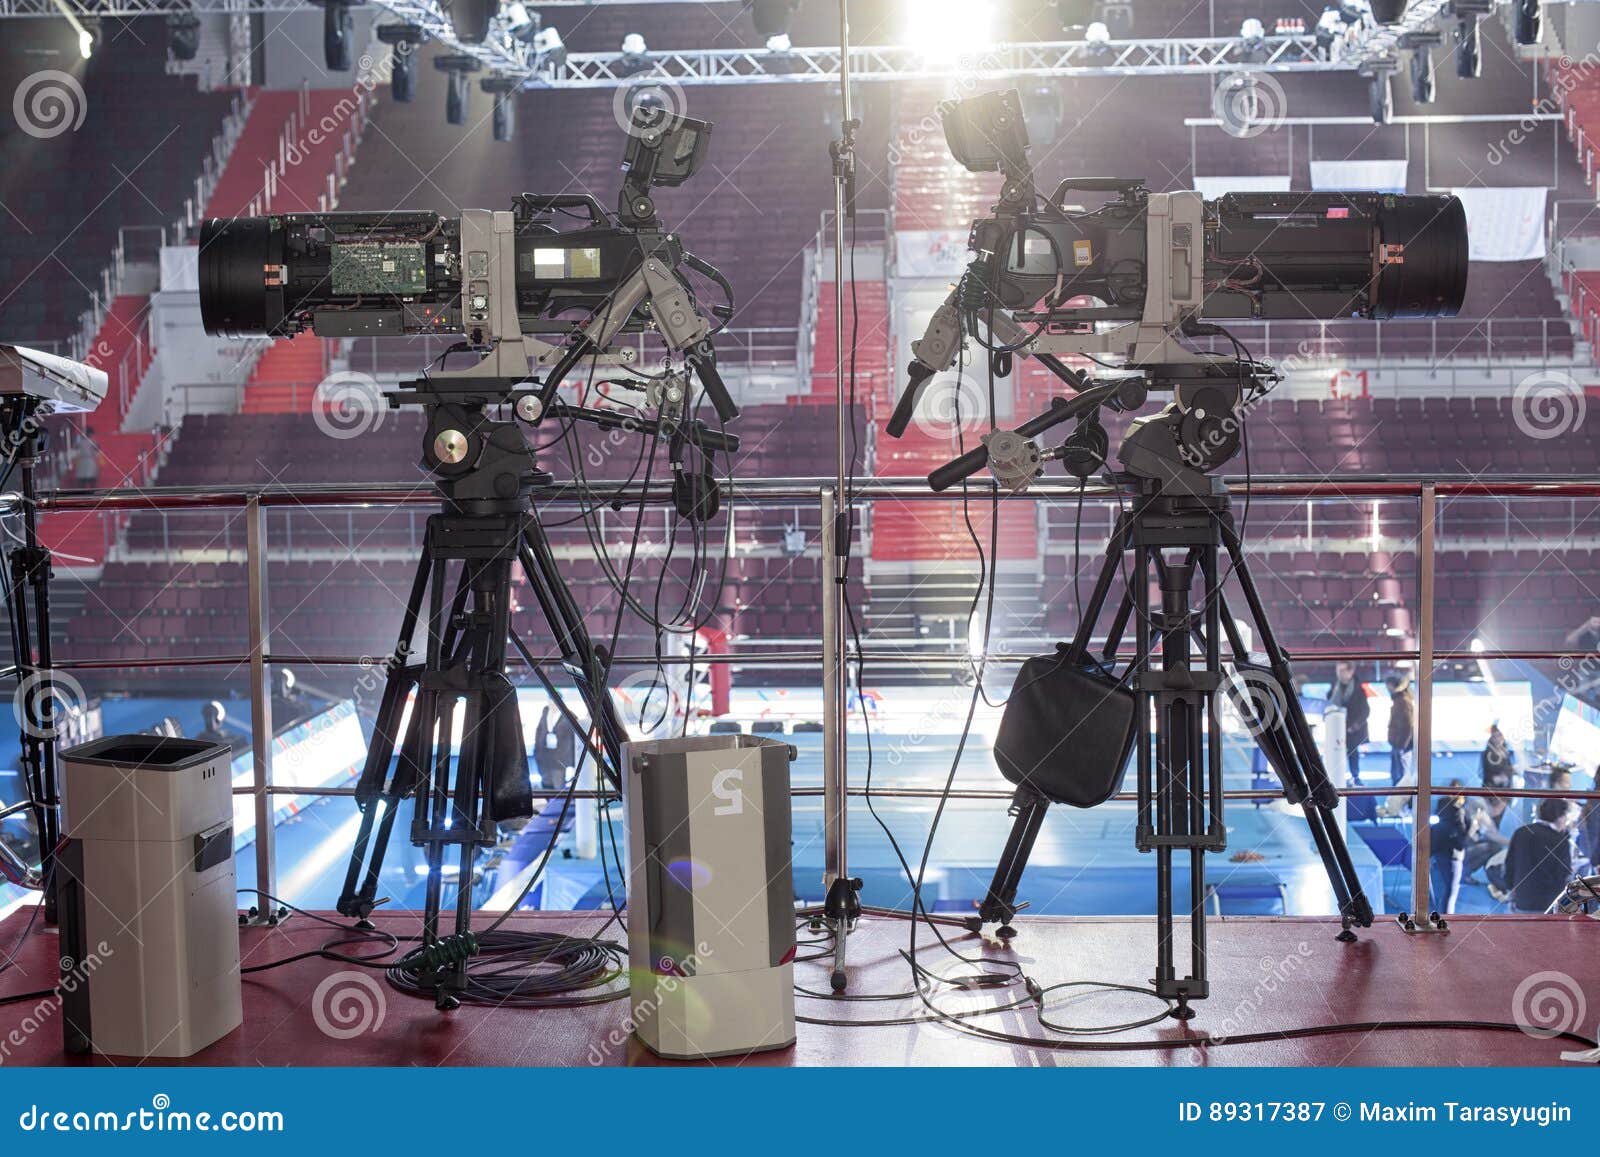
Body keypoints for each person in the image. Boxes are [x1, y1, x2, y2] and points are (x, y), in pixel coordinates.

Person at [1505, 798, 1580, 913]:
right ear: (1560, 816)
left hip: (1522, 901)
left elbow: (1509, 865)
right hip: (1549, 904)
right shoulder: (1560, 840)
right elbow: (1562, 874)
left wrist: (1511, 891)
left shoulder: (1520, 832)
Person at [1430, 781, 1470, 916]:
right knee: (1450, 893)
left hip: (1436, 856)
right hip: (1452, 857)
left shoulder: (1440, 816)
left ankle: (1435, 918)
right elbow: (1461, 842)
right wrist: (1472, 828)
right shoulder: (1458, 814)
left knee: (1437, 893)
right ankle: (1447, 920)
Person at [1326, 661, 1370, 779]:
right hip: (1337, 729)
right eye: (1338, 670)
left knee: (1353, 754)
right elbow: (1329, 703)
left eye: (1342, 670)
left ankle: (1355, 777)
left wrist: (1355, 725)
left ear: (1350, 671)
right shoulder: (1334, 686)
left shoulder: (1359, 689)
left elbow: (1365, 711)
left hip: (1353, 730)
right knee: (1336, 754)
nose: (1339, 673)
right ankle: (1336, 777)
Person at [534, 704, 578, 793]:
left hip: (560, 761)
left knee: (558, 790)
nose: (552, 704)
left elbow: (573, 740)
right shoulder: (545, 713)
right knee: (546, 788)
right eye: (550, 701)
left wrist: (571, 764)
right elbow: (539, 734)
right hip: (544, 760)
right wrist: (537, 754)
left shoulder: (569, 716)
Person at [1386, 669, 1415, 787]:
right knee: (1398, 776)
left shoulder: (1402, 701)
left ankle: (1400, 804)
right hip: (1399, 745)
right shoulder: (1401, 700)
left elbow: (1407, 725)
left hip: (1400, 746)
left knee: (1399, 778)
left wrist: (1401, 746)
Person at [1479, 724, 1516, 788]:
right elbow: (1484, 772)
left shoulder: (1506, 752)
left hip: (1506, 787)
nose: (1498, 739)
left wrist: (1508, 774)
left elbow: (1509, 768)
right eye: (1495, 737)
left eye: (1500, 736)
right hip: (1491, 786)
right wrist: (1495, 778)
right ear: (1491, 739)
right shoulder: (1487, 753)